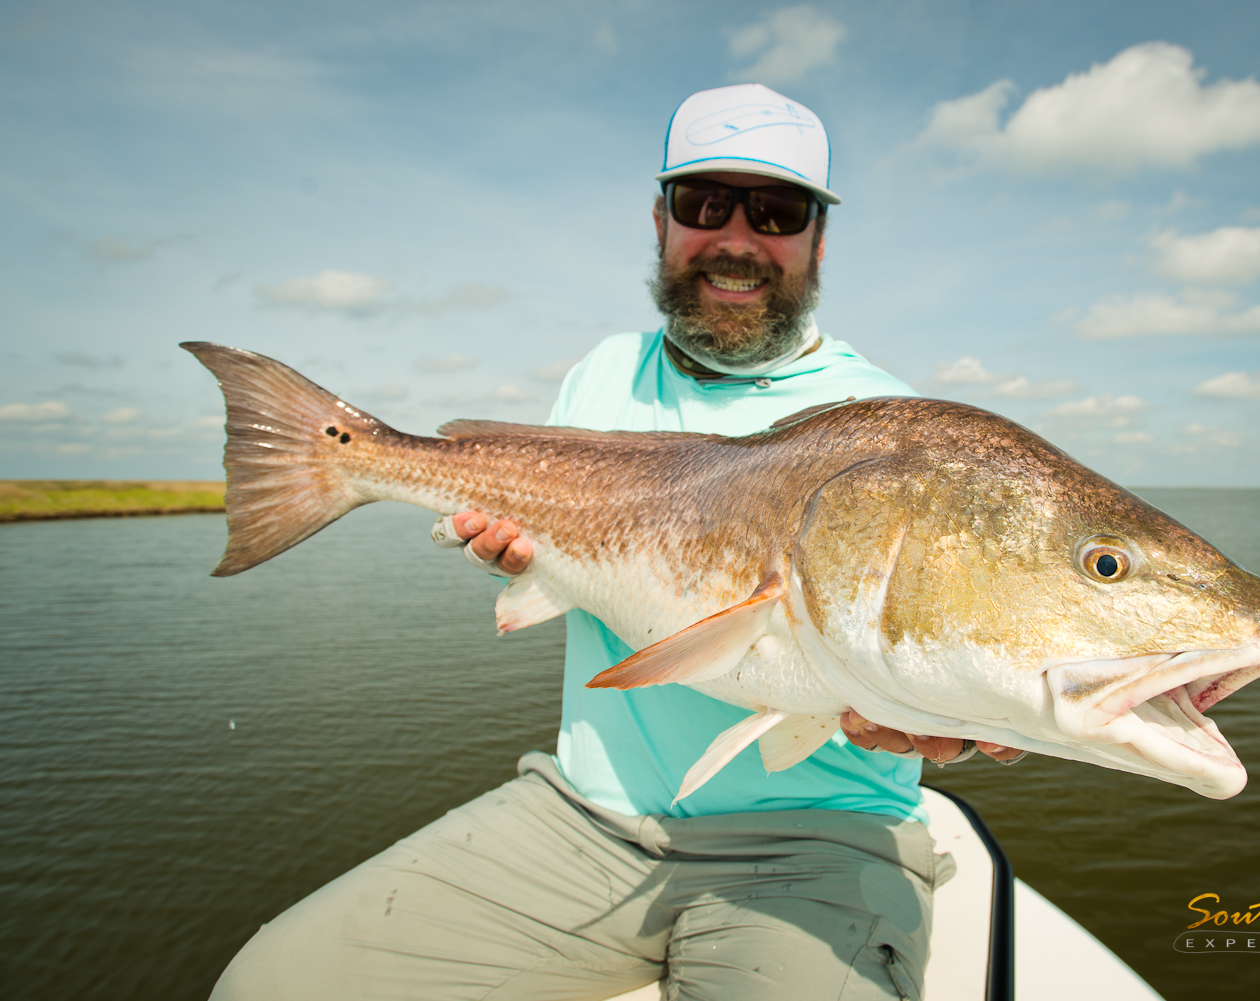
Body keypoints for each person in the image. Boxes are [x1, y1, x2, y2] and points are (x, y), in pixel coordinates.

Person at [211, 83, 1019, 1001]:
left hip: (817, 837)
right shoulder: (600, 373)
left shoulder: (893, 438)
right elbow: (567, 565)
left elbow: (971, 640)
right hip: (582, 817)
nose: (739, 237)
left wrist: (973, 716)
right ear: (661, 218)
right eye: (704, 203)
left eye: (779, 209)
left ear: (820, 238)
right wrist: (519, 554)